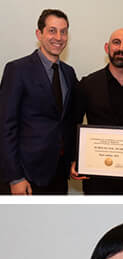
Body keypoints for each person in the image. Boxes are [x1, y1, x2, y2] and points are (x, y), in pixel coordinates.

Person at [69, 28, 123, 194]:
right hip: (96, 177)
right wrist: (74, 158)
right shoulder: (87, 84)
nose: (121, 48)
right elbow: (73, 123)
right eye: (116, 43)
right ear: (107, 48)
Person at [0, 9, 77, 194]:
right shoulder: (17, 70)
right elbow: (5, 126)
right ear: (39, 34)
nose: (58, 37)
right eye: (52, 30)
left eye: (63, 31)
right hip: (26, 175)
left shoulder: (69, 73)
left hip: (59, 174)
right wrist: (15, 177)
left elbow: (69, 120)